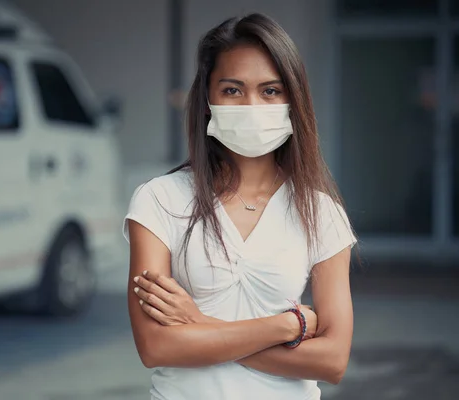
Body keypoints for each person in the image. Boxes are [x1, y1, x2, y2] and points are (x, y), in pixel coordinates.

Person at [123, 12, 357, 400]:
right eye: (232, 90)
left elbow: (332, 360)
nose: (252, 105)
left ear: (293, 101)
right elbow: (156, 347)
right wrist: (287, 326)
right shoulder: (159, 201)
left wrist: (198, 324)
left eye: (270, 91)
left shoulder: (320, 211)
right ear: (207, 101)